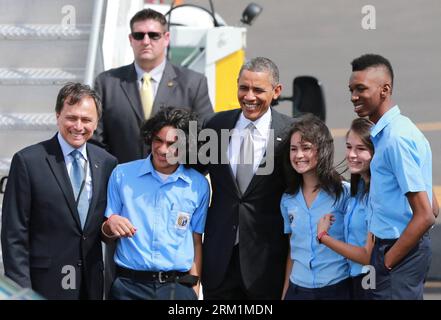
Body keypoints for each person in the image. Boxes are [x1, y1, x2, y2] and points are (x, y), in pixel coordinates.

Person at [1, 83, 117, 299]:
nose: (78, 126)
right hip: (43, 286)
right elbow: (13, 234)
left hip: (90, 285)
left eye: (86, 120)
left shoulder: (107, 163)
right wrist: (22, 292)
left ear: (96, 122)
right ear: (57, 115)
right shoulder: (28, 161)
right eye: (71, 118)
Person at [200, 57, 295, 300]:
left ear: (276, 91)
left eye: (258, 90)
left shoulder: (290, 132)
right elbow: (190, 172)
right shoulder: (216, 125)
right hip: (219, 260)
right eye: (244, 87)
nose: (249, 96)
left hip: (266, 264)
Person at [348, 53, 435, 299]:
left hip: (396, 253)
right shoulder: (399, 130)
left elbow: (426, 215)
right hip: (398, 250)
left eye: (361, 89)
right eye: (352, 89)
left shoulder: (395, 139)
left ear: (385, 90)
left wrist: (387, 262)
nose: (354, 97)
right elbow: (433, 204)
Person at [101, 107, 209, 300]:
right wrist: (110, 224)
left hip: (178, 289)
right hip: (128, 288)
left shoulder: (198, 185)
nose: (162, 149)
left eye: (172, 144)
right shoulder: (121, 175)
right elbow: (106, 234)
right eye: (158, 140)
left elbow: (195, 241)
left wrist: (194, 288)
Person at [93, 8, 213, 164]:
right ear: (130, 39)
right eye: (139, 35)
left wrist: (188, 177)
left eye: (153, 35)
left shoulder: (193, 83)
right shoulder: (107, 83)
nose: (146, 41)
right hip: (123, 182)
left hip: (175, 183)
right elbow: (95, 140)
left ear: (166, 38)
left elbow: (207, 137)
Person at [280, 114, 351, 300]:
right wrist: (285, 293)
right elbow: (292, 251)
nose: (299, 155)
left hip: (336, 288)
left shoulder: (343, 193)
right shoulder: (288, 199)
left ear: (322, 151)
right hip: (298, 289)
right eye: (293, 149)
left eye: (306, 148)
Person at [317, 117, 375, 300]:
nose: (351, 154)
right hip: (354, 278)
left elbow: (367, 256)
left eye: (361, 149)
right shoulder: (357, 189)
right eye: (349, 147)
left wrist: (323, 237)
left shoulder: (376, 196)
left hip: (369, 281)